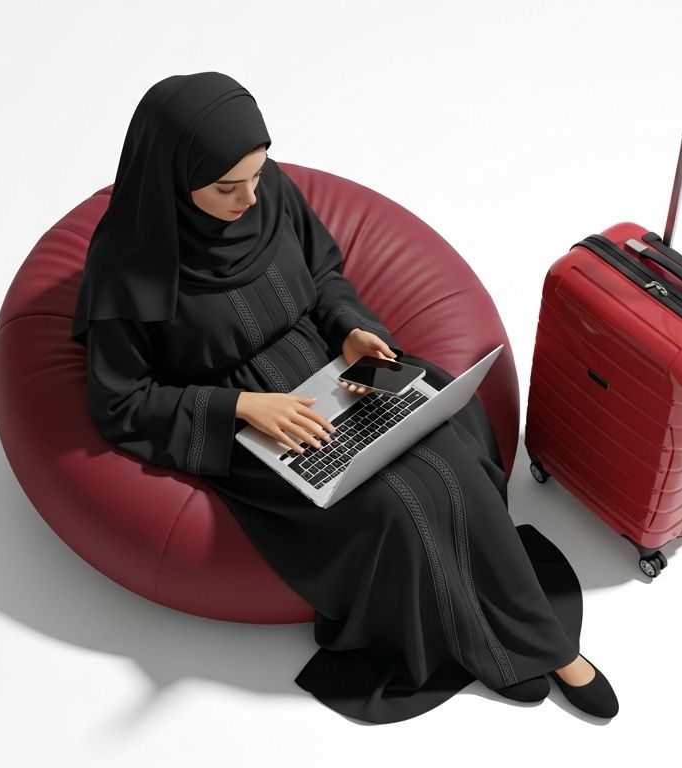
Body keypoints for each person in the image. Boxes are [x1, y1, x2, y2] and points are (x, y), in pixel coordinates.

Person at [69, 71, 619, 724]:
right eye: (226, 188)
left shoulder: (270, 193)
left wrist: (356, 333)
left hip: (330, 369)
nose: (251, 197)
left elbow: (324, 274)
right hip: (253, 424)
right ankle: (502, 647)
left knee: (454, 447)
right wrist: (241, 410)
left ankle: (537, 642)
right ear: (173, 180)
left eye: (257, 174)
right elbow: (121, 404)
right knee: (394, 503)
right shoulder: (130, 266)